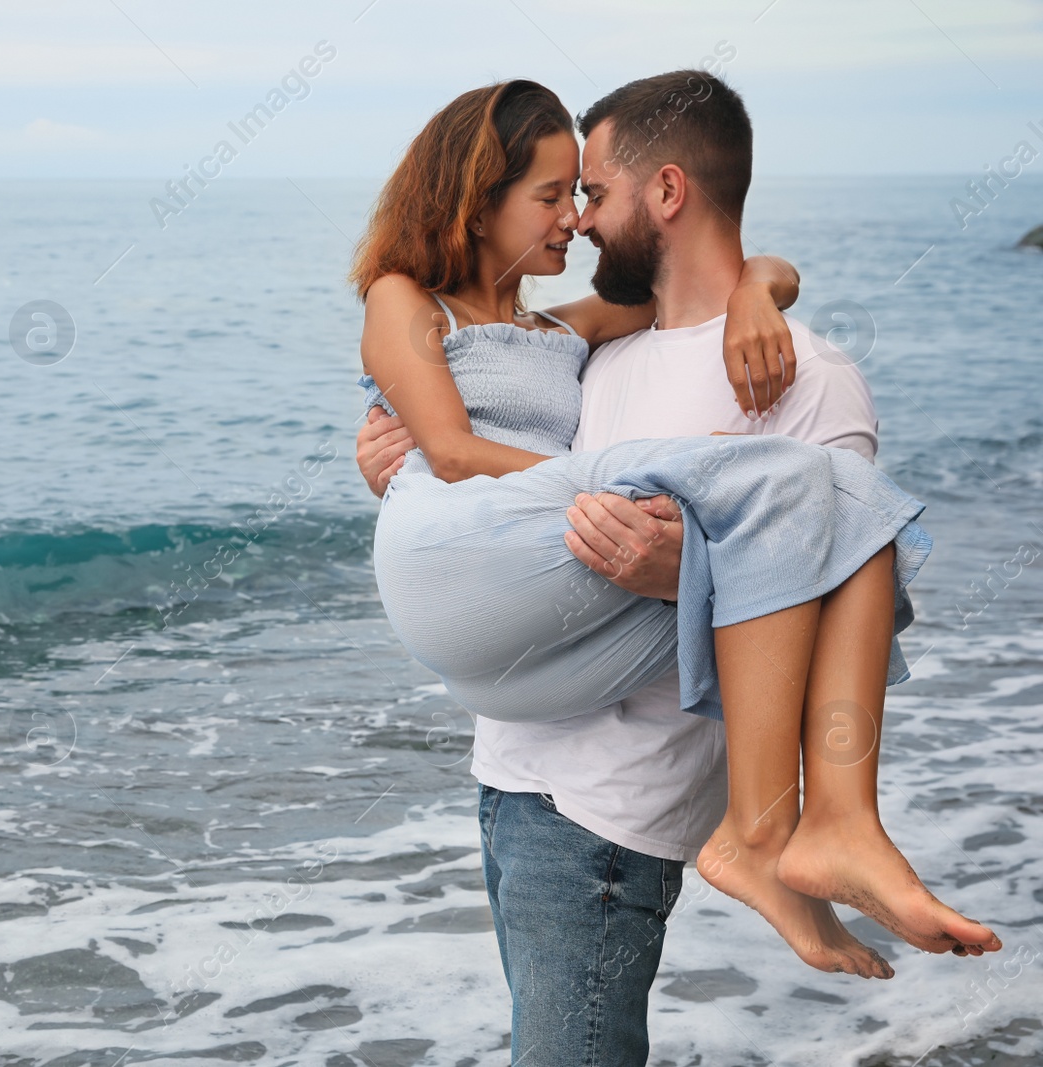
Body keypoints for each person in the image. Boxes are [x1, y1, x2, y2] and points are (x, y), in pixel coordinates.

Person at [351, 73, 1001, 1066]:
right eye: (553, 197)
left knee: (826, 500)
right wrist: (610, 511)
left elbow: (768, 272)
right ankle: (798, 828)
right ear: (475, 200)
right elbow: (452, 454)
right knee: (797, 491)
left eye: (587, 193)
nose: (575, 218)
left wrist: (756, 288)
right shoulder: (486, 322)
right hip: (507, 712)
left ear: (662, 193)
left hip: (580, 787)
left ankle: (801, 825)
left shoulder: (597, 340)